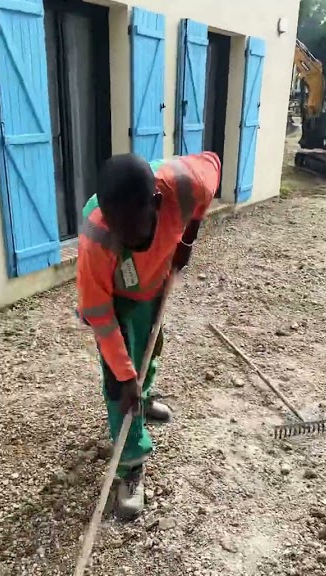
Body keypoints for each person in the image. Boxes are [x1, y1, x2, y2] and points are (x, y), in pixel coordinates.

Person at [74, 151, 222, 520]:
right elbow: (99, 313)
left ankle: (146, 393)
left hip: (155, 282)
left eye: (133, 230)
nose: (125, 238)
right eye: (118, 230)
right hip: (117, 297)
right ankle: (130, 466)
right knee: (119, 385)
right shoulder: (99, 235)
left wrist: (187, 241)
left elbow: (214, 167)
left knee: (151, 346)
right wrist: (124, 377)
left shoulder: (190, 183)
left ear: (156, 202)